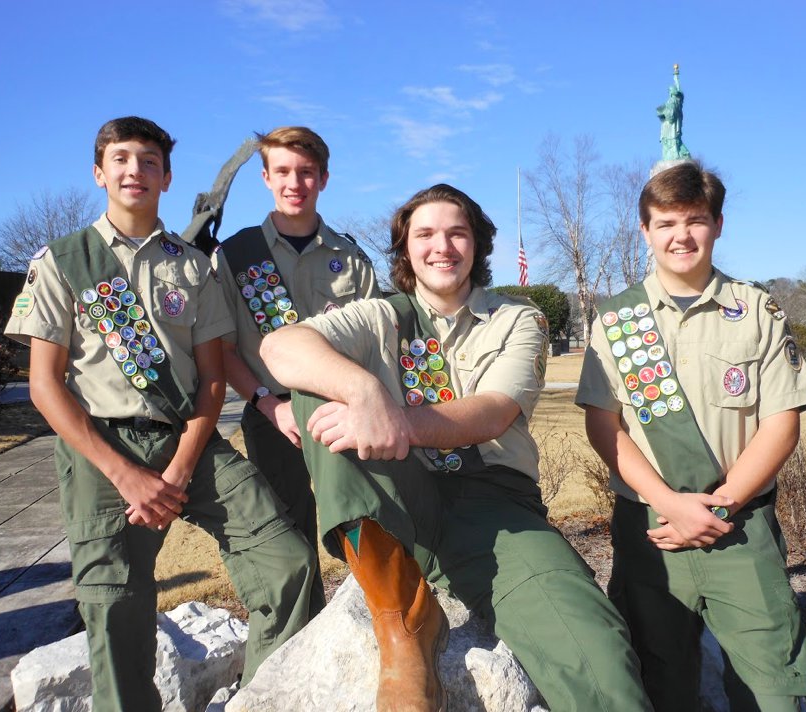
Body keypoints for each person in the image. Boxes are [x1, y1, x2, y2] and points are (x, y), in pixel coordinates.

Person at [260, 183, 652, 712]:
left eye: (456, 233)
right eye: (425, 234)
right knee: (317, 387)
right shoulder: (379, 316)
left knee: (594, 644)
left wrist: (394, 419)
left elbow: (494, 411)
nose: (441, 246)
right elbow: (279, 347)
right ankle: (405, 624)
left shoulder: (518, 319)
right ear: (405, 249)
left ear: (477, 245)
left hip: (489, 505)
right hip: (393, 501)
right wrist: (365, 390)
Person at [4, 116, 316, 712]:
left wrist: (174, 472)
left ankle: (263, 697)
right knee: (115, 611)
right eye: (121, 159)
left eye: (149, 161)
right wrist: (126, 475)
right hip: (101, 453)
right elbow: (44, 386)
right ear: (99, 173)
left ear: (167, 178)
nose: (135, 171)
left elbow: (212, 378)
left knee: (288, 563)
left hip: (187, 443)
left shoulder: (192, 266)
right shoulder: (63, 261)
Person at [576, 161, 806, 712]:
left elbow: (782, 421)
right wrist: (670, 506)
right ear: (645, 231)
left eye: (695, 219)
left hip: (741, 525)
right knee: (659, 682)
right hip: (650, 532)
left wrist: (720, 505)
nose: (681, 235)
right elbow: (602, 424)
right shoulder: (617, 320)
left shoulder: (758, 311)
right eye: (665, 223)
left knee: (773, 691)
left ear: (718, 224)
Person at [212, 126, 379, 617]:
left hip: (342, 413)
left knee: (363, 521)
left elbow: (376, 342)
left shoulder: (350, 257)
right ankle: (300, 638)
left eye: (306, 172)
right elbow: (222, 350)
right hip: (271, 412)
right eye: (283, 171)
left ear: (323, 178)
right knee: (288, 534)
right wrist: (267, 403)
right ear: (265, 177)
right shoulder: (235, 257)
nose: (295, 182)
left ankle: (377, 621)